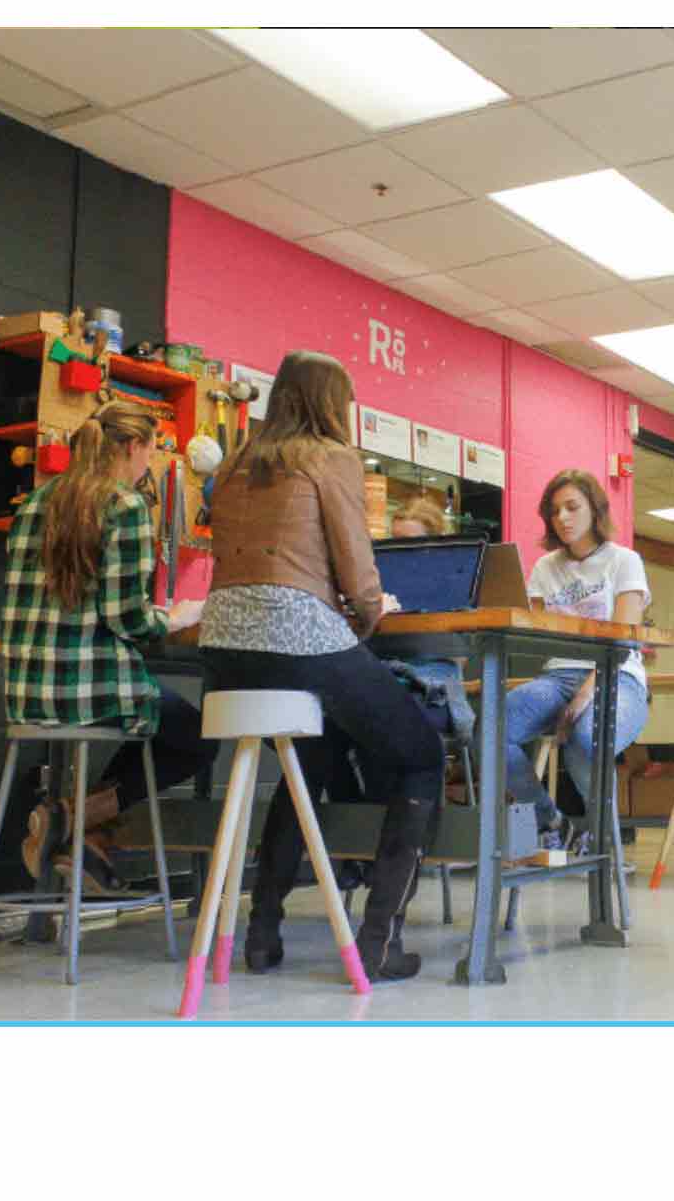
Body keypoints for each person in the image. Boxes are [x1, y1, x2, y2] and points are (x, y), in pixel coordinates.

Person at [201, 350, 445, 980]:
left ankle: (262, 933)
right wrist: (364, 618)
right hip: (296, 638)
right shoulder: (331, 457)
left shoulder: (235, 463)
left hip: (222, 647)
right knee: (421, 754)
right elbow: (359, 576)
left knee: (306, 761)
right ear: (332, 403)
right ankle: (380, 941)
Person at [0, 403, 210, 891]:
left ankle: (84, 837)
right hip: (93, 690)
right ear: (133, 446)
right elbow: (127, 618)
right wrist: (175, 617)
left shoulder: (33, 504)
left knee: (166, 719)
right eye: (150, 453)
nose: (148, 466)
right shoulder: (125, 506)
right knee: (199, 736)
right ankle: (72, 817)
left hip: (26, 693)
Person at [502, 469, 649, 836]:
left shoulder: (624, 560)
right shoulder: (545, 567)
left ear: (595, 509)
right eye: (554, 511)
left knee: (586, 738)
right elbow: (535, 631)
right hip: (558, 676)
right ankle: (550, 821)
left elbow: (622, 642)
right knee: (490, 728)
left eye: (572, 507)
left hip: (617, 676)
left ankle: (604, 841)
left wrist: (586, 692)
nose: (562, 518)